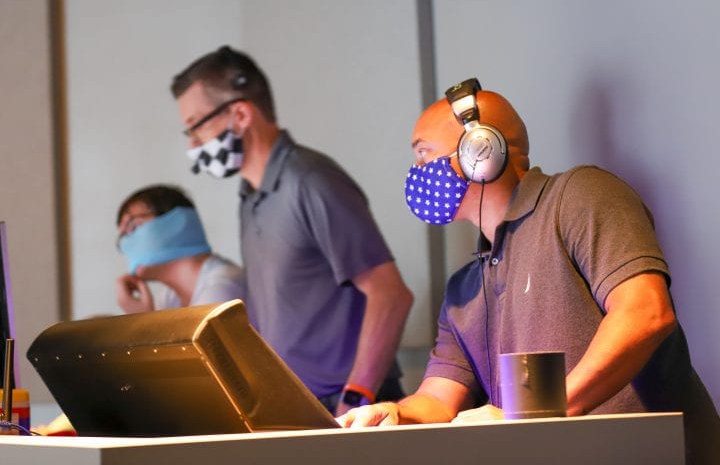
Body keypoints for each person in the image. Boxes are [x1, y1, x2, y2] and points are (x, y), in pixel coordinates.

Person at [338, 79, 720, 464]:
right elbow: (438, 398)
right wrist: (394, 412)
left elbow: (646, 313)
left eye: (424, 154)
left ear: (479, 150)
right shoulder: (463, 290)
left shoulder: (581, 195)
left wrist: (537, 413)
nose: (418, 172)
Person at [169, 45, 414, 415]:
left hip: (347, 408)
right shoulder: (249, 196)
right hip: (296, 408)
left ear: (240, 114)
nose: (193, 144)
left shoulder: (311, 180)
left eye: (196, 126)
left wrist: (355, 400)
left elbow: (390, 294)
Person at [115, 184, 245, 313]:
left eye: (133, 227)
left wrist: (141, 318)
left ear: (177, 223)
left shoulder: (222, 286)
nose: (126, 244)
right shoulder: (170, 298)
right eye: (122, 236)